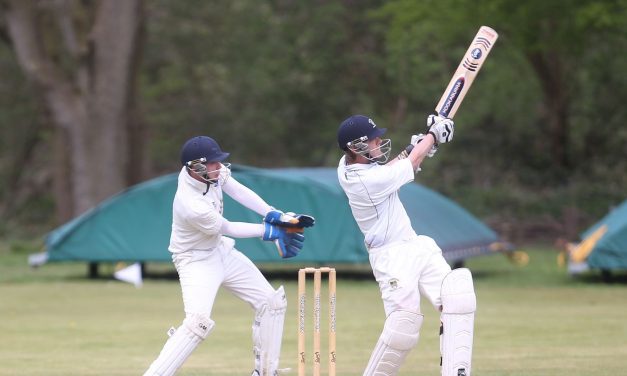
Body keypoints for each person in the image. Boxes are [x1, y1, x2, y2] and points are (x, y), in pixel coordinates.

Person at [144, 136, 314, 376]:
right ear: (196, 167)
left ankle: (265, 372)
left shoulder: (209, 173)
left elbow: (238, 191)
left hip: (220, 250)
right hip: (195, 260)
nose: (219, 167)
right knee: (197, 324)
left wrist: (275, 214)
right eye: (213, 163)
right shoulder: (190, 203)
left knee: (271, 303)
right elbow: (229, 227)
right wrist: (272, 232)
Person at [336, 115, 476, 376]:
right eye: (374, 139)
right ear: (357, 147)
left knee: (458, 299)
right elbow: (401, 169)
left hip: (414, 244)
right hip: (391, 257)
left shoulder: (350, 165)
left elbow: (393, 168)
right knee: (403, 327)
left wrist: (416, 148)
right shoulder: (363, 182)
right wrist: (432, 136)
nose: (379, 141)